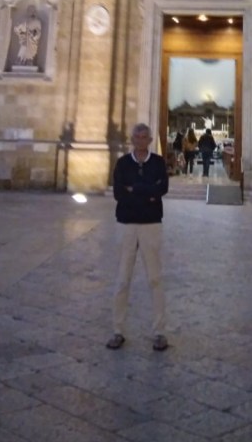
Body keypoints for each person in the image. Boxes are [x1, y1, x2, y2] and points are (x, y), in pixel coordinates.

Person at [107, 123, 169, 352]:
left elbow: (162, 189)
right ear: (132, 139)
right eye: (137, 137)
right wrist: (147, 192)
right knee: (122, 279)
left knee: (155, 278)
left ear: (150, 140)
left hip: (151, 224)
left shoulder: (158, 163)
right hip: (127, 224)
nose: (141, 140)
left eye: (145, 137)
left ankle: (159, 332)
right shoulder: (123, 163)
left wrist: (134, 190)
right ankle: (118, 330)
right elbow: (118, 193)